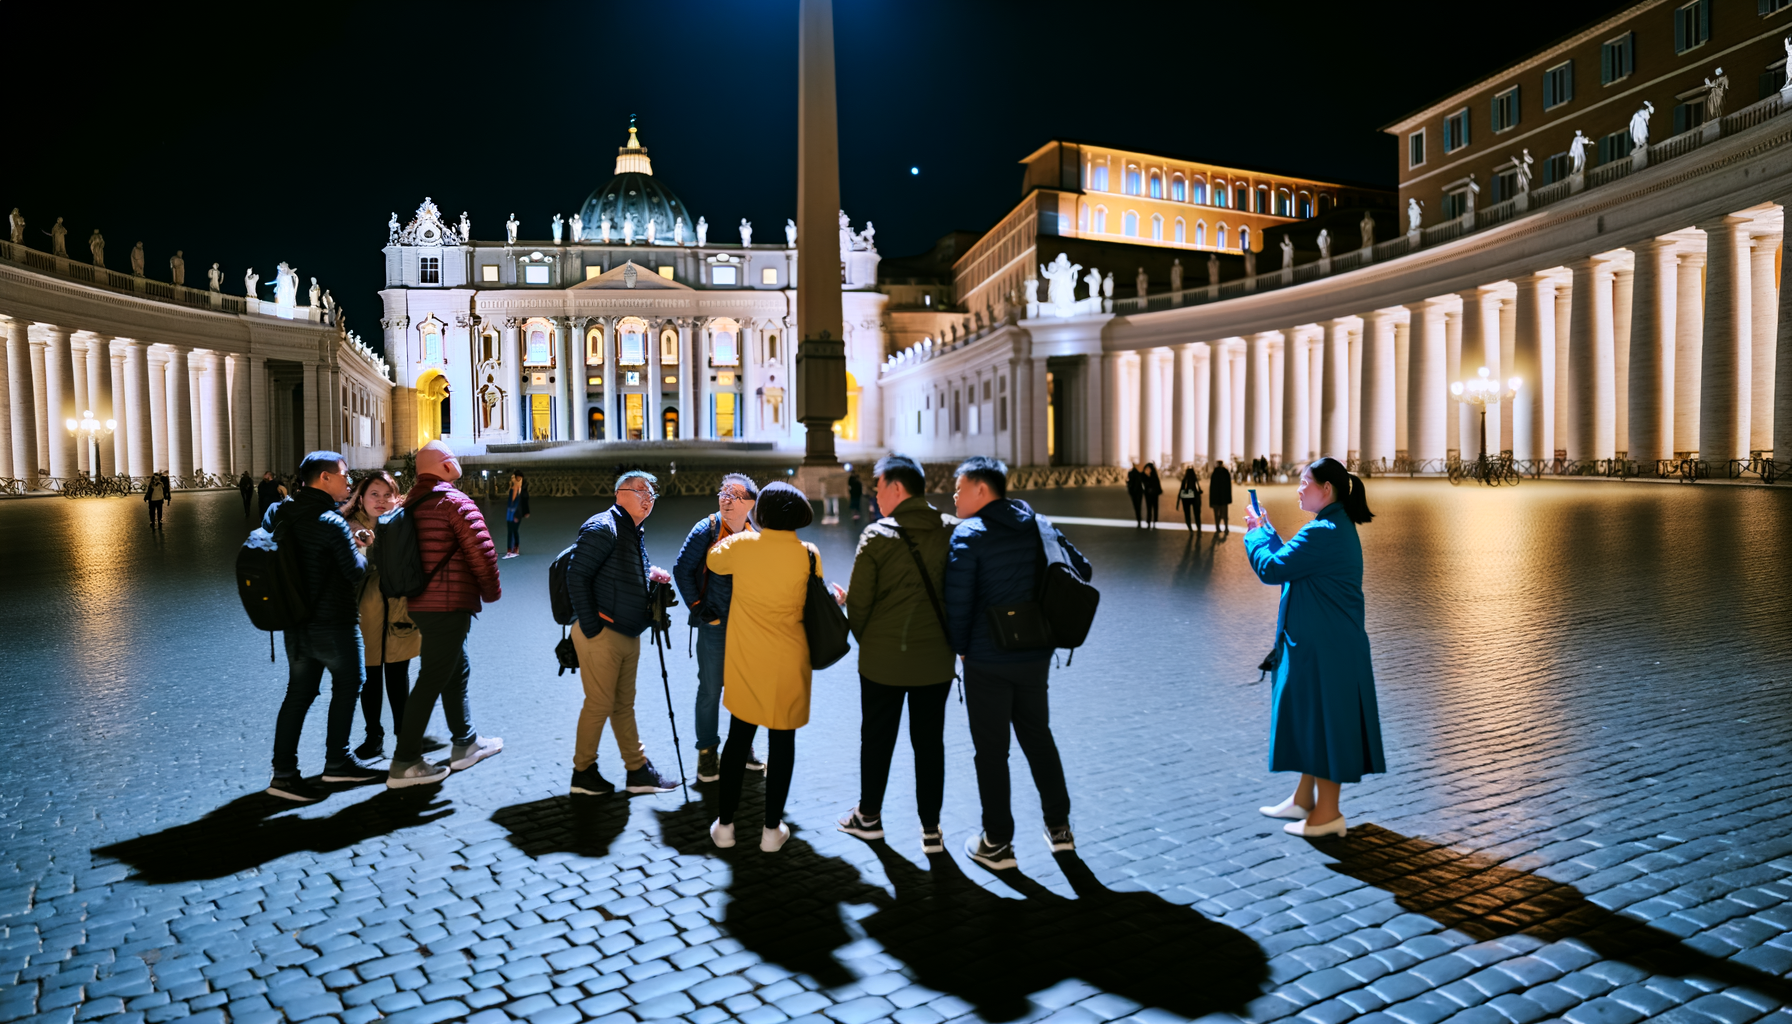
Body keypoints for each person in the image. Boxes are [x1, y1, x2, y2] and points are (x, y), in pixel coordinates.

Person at [944, 456, 1092, 871]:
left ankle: (997, 843)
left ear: (981, 490)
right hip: (1034, 655)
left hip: (986, 659)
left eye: (960, 486)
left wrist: (960, 647)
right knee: (1038, 738)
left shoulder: (968, 535)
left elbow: (958, 605)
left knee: (991, 753)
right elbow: (1082, 568)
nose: (954, 494)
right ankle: (1060, 828)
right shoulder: (1039, 524)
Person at [1244, 457, 1384, 839]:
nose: (1299, 488)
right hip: (1326, 644)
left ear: (1327, 489)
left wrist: (1255, 534)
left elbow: (1273, 570)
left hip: (1328, 650)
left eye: (1305, 482)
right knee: (1315, 720)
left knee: (1326, 726)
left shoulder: (1323, 531)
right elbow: (1291, 561)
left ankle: (1327, 814)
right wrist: (1269, 532)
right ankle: (1305, 798)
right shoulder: (1330, 526)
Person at [706, 482, 839, 853]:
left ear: (761, 513)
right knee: (783, 744)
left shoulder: (743, 545)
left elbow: (714, 560)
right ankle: (771, 829)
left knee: (737, 741)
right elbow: (816, 594)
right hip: (789, 663)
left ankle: (726, 826)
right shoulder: (808, 554)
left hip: (748, 661)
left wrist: (738, 522)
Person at [837, 454, 958, 854]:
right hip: (937, 663)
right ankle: (931, 829)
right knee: (930, 744)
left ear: (897, 489)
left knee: (877, 739)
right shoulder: (953, 531)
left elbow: (859, 608)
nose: (875, 495)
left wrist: (870, 640)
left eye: (878, 487)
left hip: (881, 665)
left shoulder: (876, 536)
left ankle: (868, 817)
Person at [264, 451, 383, 801]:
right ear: (324, 479)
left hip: (295, 622)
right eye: (343, 475)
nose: (348, 481)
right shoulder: (330, 522)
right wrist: (362, 548)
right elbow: (354, 572)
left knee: (298, 695)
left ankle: (283, 773)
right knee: (350, 683)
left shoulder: (280, 513)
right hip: (334, 621)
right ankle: (338, 763)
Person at [386, 441, 505, 788]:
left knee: (456, 669)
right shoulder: (454, 502)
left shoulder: (410, 502)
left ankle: (465, 743)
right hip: (450, 604)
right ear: (446, 466)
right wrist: (492, 593)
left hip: (420, 602)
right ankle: (405, 762)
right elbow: (482, 553)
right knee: (432, 679)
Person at [564, 471, 681, 797]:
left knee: (622, 705)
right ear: (621, 493)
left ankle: (637, 771)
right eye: (641, 490)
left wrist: (652, 588)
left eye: (652, 494)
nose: (648, 498)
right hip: (603, 632)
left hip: (628, 632)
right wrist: (592, 627)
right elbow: (577, 576)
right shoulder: (604, 526)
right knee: (600, 704)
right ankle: (583, 773)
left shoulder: (632, 532)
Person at [673, 473, 766, 784]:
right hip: (715, 626)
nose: (726, 499)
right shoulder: (707, 529)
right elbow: (681, 569)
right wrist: (699, 609)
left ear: (750, 503)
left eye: (734, 494)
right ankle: (707, 753)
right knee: (711, 690)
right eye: (723, 492)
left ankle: (742, 746)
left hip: (747, 630)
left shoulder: (756, 533)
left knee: (746, 691)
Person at [341, 470, 421, 760]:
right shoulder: (347, 527)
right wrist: (359, 547)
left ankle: (405, 736)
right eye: (374, 494)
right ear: (361, 497)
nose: (381, 501)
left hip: (399, 610)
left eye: (388, 495)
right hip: (365, 616)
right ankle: (373, 735)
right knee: (370, 679)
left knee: (399, 678)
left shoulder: (403, 524)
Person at [502, 471, 531, 559]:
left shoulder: (522, 490)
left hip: (516, 512)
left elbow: (523, 502)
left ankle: (515, 549)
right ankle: (510, 550)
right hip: (510, 512)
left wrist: (522, 513)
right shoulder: (513, 487)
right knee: (510, 531)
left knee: (514, 530)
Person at [1209, 460, 1233, 538]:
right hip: (1224, 498)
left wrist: (1211, 501)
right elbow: (1229, 487)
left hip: (1216, 498)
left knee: (1217, 514)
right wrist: (1229, 499)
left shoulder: (1214, 473)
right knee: (1225, 514)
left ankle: (1218, 528)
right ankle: (1226, 528)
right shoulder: (1225, 472)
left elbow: (1211, 488)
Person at [1175, 467, 1203, 533]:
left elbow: (1181, 490)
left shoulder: (1185, 480)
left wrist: (1178, 502)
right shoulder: (1195, 480)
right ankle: (1199, 528)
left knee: (1187, 514)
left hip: (1185, 499)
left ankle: (1190, 528)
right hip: (1195, 499)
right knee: (1197, 514)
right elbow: (1198, 490)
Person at [1142, 463, 1163, 529]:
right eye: (1146, 469)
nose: (1147, 470)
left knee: (1155, 507)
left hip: (1154, 494)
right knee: (1149, 507)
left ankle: (1155, 519)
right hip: (1148, 494)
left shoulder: (1154, 476)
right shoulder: (1144, 476)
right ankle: (1149, 520)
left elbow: (1156, 485)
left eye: (1149, 469)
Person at [1125, 463, 1145, 528]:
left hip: (1133, 492)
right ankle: (1139, 519)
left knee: (1136, 507)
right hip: (1139, 492)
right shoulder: (1139, 474)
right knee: (1138, 506)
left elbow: (1129, 482)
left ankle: (1138, 519)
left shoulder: (1130, 473)